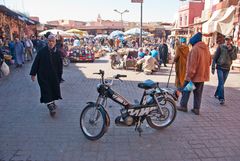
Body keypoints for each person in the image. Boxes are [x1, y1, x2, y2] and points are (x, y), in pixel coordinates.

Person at [177, 32, 212, 115]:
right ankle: (196, 109)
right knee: (198, 93)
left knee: (186, 91)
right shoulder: (206, 48)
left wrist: (188, 76)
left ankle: (183, 106)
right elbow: (210, 62)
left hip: (194, 77)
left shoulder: (195, 49)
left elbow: (192, 66)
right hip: (202, 76)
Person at [30, 34, 63, 116]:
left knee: (53, 90)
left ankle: (52, 103)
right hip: (43, 76)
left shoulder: (57, 52)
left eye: (53, 41)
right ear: (47, 41)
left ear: (55, 42)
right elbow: (36, 63)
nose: (51, 43)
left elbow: (60, 66)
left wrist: (60, 76)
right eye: (49, 41)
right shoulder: (42, 51)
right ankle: (51, 107)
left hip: (54, 76)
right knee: (46, 90)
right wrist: (33, 74)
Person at [211, 36, 237, 105]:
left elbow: (234, 58)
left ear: (231, 41)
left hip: (227, 68)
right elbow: (215, 57)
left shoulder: (234, 48)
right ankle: (221, 98)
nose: (227, 41)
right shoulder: (221, 47)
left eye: (229, 40)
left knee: (222, 83)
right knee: (221, 83)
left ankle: (216, 93)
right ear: (224, 40)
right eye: (226, 40)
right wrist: (213, 67)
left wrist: (230, 50)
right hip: (220, 67)